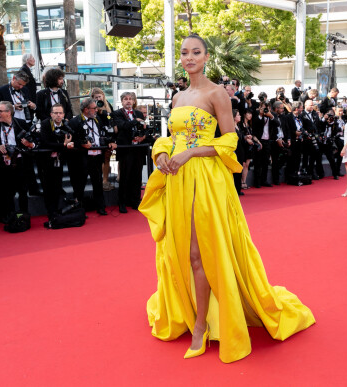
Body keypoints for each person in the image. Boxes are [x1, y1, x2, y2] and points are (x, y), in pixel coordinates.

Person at [139, 34, 315, 364]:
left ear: (206, 57)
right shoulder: (177, 97)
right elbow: (170, 137)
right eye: (184, 53)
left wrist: (192, 151)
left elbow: (230, 140)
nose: (189, 57)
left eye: (196, 52)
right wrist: (162, 152)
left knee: (199, 252)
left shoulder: (217, 93)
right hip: (177, 180)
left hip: (205, 179)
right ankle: (192, 312)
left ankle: (200, 327)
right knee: (179, 250)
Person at [68, 98, 117, 215]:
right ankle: (78, 208)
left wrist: (109, 142)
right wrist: (82, 144)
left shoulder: (97, 119)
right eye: (94, 108)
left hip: (97, 156)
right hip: (82, 158)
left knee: (98, 183)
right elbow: (71, 140)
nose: (96, 110)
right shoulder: (75, 122)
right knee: (80, 184)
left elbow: (101, 135)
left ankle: (101, 207)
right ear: (86, 109)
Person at [0, 101, 35, 223]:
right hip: (2, 165)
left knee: (23, 192)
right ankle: (11, 218)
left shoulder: (21, 124)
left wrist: (30, 144)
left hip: (20, 162)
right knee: (7, 193)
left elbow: (34, 142)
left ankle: (24, 217)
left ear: (9, 112)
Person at [111, 92, 149, 213]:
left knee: (137, 176)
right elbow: (123, 126)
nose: (128, 101)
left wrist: (142, 137)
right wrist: (135, 121)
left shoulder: (138, 113)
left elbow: (145, 129)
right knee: (125, 176)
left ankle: (136, 201)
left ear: (133, 102)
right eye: (125, 99)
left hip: (138, 149)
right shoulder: (117, 113)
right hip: (125, 148)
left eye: (130, 99)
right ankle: (122, 202)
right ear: (122, 102)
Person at [38, 104, 71, 220]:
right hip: (46, 161)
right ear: (51, 114)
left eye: (60, 113)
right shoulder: (46, 124)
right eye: (56, 113)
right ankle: (50, 212)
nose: (58, 115)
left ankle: (56, 210)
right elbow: (45, 142)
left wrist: (67, 145)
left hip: (59, 160)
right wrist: (63, 145)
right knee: (48, 188)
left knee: (57, 186)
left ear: (63, 114)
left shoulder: (66, 125)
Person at [90, 87, 117, 191]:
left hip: (108, 135)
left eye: (100, 96)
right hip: (97, 135)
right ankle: (99, 181)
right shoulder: (92, 107)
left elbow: (112, 117)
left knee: (107, 158)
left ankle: (105, 180)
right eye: (96, 97)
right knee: (99, 159)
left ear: (103, 97)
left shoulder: (108, 105)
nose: (98, 99)